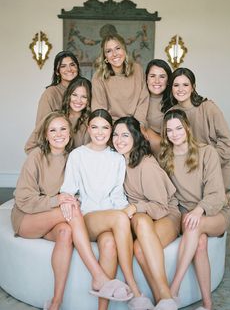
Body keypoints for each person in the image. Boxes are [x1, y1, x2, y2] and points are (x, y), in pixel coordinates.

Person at [11, 111, 131, 310]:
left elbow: (74, 189)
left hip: (53, 218)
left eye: (63, 129)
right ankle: (98, 276)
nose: (58, 134)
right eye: (53, 130)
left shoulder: (70, 156)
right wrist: (57, 200)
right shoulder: (37, 157)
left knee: (66, 232)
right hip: (28, 217)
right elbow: (23, 199)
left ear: (70, 133)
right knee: (73, 209)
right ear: (46, 134)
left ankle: (55, 302)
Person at [60, 109, 153, 310]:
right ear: (88, 128)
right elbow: (68, 188)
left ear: (111, 130)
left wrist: (130, 213)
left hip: (109, 220)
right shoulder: (78, 155)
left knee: (110, 245)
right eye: (95, 127)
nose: (99, 132)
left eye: (105, 127)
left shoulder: (116, 158)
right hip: (88, 219)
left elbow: (117, 195)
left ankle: (102, 308)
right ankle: (134, 288)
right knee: (120, 218)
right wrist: (67, 201)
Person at [158, 109, 230, 310]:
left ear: (187, 128)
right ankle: (208, 305)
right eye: (169, 130)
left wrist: (199, 210)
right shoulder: (165, 158)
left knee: (193, 227)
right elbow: (169, 195)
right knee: (199, 243)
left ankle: (173, 291)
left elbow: (217, 193)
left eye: (179, 128)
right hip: (186, 214)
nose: (175, 134)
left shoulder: (206, 152)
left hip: (213, 212)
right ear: (165, 134)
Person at [112, 116, 180, 310]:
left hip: (166, 213)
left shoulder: (146, 165)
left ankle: (166, 296)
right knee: (138, 247)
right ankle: (162, 301)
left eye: (125, 135)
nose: (119, 139)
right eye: (116, 134)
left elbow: (160, 207)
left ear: (135, 137)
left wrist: (134, 207)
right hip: (143, 215)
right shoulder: (117, 161)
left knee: (141, 224)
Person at [169, 67, 230, 190]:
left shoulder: (208, 108)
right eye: (176, 85)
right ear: (171, 88)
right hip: (187, 172)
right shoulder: (171, 113)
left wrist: (207, 165)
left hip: (215, 169)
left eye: (185, 85)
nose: (180, 89)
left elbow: (228, 142)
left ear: (193, 87)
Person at [91, 33, 149, 133]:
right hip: (112, 127)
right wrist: (116, 130)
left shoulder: (137, 69)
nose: (114, 54)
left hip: (136, 125)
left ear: (124, 50)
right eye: (109, 51)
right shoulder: (98, 77)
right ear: (105, 56)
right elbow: (100, 110)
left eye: (118, 48)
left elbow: (143, 100)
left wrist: (138, 125)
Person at [25, 76, 91, 153]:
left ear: (88, 100)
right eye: (74, 95)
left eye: (84, 97)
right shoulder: (53, 118)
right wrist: (50, 161)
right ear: (68, 95)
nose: (78, 100)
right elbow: (30, 146)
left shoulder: (91, 123)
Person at [35, 50, 80, 125]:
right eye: (63, 66)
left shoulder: (86, 90)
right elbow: (42, 124)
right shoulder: (50, 93)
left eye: (72, 65)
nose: (69, 69)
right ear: (57, 71)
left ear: (77, 68)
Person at [145, 59, 172, 156]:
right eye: (152, 76)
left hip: (165, 153)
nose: (157, 81)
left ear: (168, 81)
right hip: (140, 151)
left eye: (162, 77)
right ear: (146, 78)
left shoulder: (173, 103)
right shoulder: (139, 99)